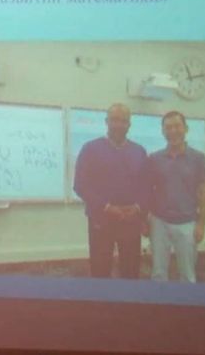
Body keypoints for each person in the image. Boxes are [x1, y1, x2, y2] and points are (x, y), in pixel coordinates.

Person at [74, 103, 148, 279]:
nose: (119, 124)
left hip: (131, 220)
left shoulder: (139, 151)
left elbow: (146, 186)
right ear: (106, 122)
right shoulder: (90, 149)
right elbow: (80, 185)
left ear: (129, 124)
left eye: (123, 121)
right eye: (114, 120)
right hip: (100, 219)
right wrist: (107, 207)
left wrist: (138, 208)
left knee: (131, 271)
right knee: (100, 270)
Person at [146, 111, 205, 283]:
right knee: (158, 273)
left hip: (187, 224)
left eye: (177, 126)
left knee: (187, 275)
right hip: (159, 223)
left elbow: (203, 193)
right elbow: (148, 191)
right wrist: (146, 220)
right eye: (168, 127)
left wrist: (201, 224)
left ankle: (186, 301)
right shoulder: (154, 158)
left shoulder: (198, 159)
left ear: (186, 129)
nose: (173, 131)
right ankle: (159, 300)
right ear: (163, 131)